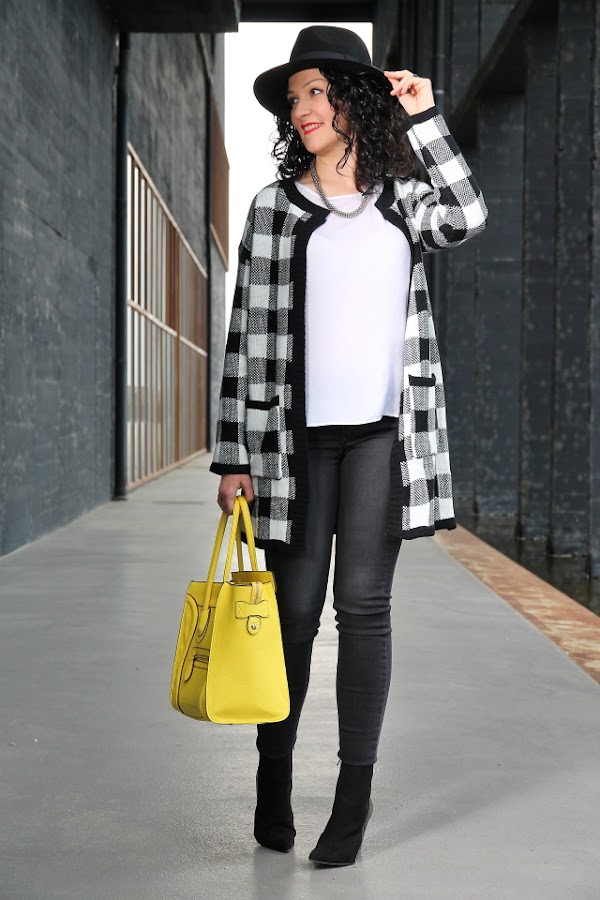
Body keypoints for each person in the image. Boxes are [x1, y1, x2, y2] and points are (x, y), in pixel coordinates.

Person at [210, 25, 487, 867]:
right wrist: (232, 456)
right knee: (293, 617)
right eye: (294, 98)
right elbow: (244, 337)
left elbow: (468, 215)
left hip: (380, 437)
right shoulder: (272, 208)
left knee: (363, 608)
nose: (302, 110)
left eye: (317, 93)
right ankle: (273, 777)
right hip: (290, 442)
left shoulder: (403, 202)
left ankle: (353, 798)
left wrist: (425, 117)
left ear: (355, 101)